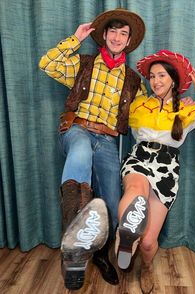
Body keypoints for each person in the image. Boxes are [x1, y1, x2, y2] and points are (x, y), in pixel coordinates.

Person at [39, 8, 147, 290]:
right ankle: (74, 247)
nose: (117, 36)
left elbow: (147, 111)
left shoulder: (134, 81)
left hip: (108, 140)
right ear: (104, 36)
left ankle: (98, 253)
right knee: (80, 153)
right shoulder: (84, 64)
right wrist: (75, 38)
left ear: (128, 41)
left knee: (111, 203)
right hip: (77, 129)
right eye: (113, 31)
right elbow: (47, 64)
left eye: (123, 33)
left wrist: (175, 106)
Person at [114, 49, 195, 293]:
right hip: (140, 158)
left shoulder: (186, 110)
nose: (155, 81)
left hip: (167, 168)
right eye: (152, 76)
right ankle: (126, 233)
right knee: (136, 188)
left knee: (147, 243)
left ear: (173, 80)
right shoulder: (139, 104)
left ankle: (146, 266)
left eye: (161, 76)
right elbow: (115, 117)